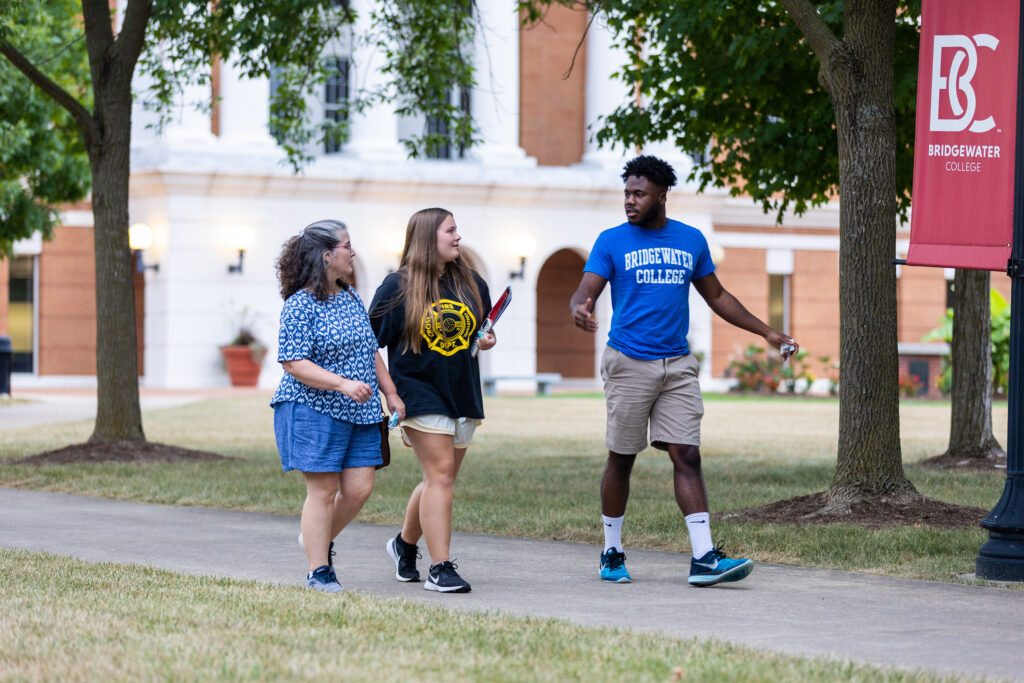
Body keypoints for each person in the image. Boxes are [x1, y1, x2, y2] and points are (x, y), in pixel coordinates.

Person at [570, 155, 798, 587]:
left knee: (687, 454)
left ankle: (704, 558)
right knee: (622, 457)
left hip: (677, 363)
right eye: (626, 193)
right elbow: (586, 288)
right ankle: (611, 551)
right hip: (629, 361)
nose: (630, 201)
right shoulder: (611, 241)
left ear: (662, 195)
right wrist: (577, 308)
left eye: (638, 194)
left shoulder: (691, 240)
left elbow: (718, 296)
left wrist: (767, 332)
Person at [270, 219, 405, 593]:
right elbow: (293, 362)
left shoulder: (350, 298)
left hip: (360, 411)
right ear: (327, 256)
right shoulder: (300, 305)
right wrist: (342, 384)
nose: (353, 252)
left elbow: (369, 349)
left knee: (360, 488)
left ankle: (315, 538)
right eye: (347, 246)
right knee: (324, 491)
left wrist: (390, 393)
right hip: (313, 408)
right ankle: (319, 569)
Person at [369, 207, 495, 594]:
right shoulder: (397, 287)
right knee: (440, 475)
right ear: (428, 238)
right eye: (450, 231)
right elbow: (366, 342)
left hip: (462, 393)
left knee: (439, 479)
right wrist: (389, 392)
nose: (458, 237)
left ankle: (404, 545)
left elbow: (479, 334)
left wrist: (485, 340)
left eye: (457, 230)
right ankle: (440, 568)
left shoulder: (472, 283)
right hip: (419, 393)